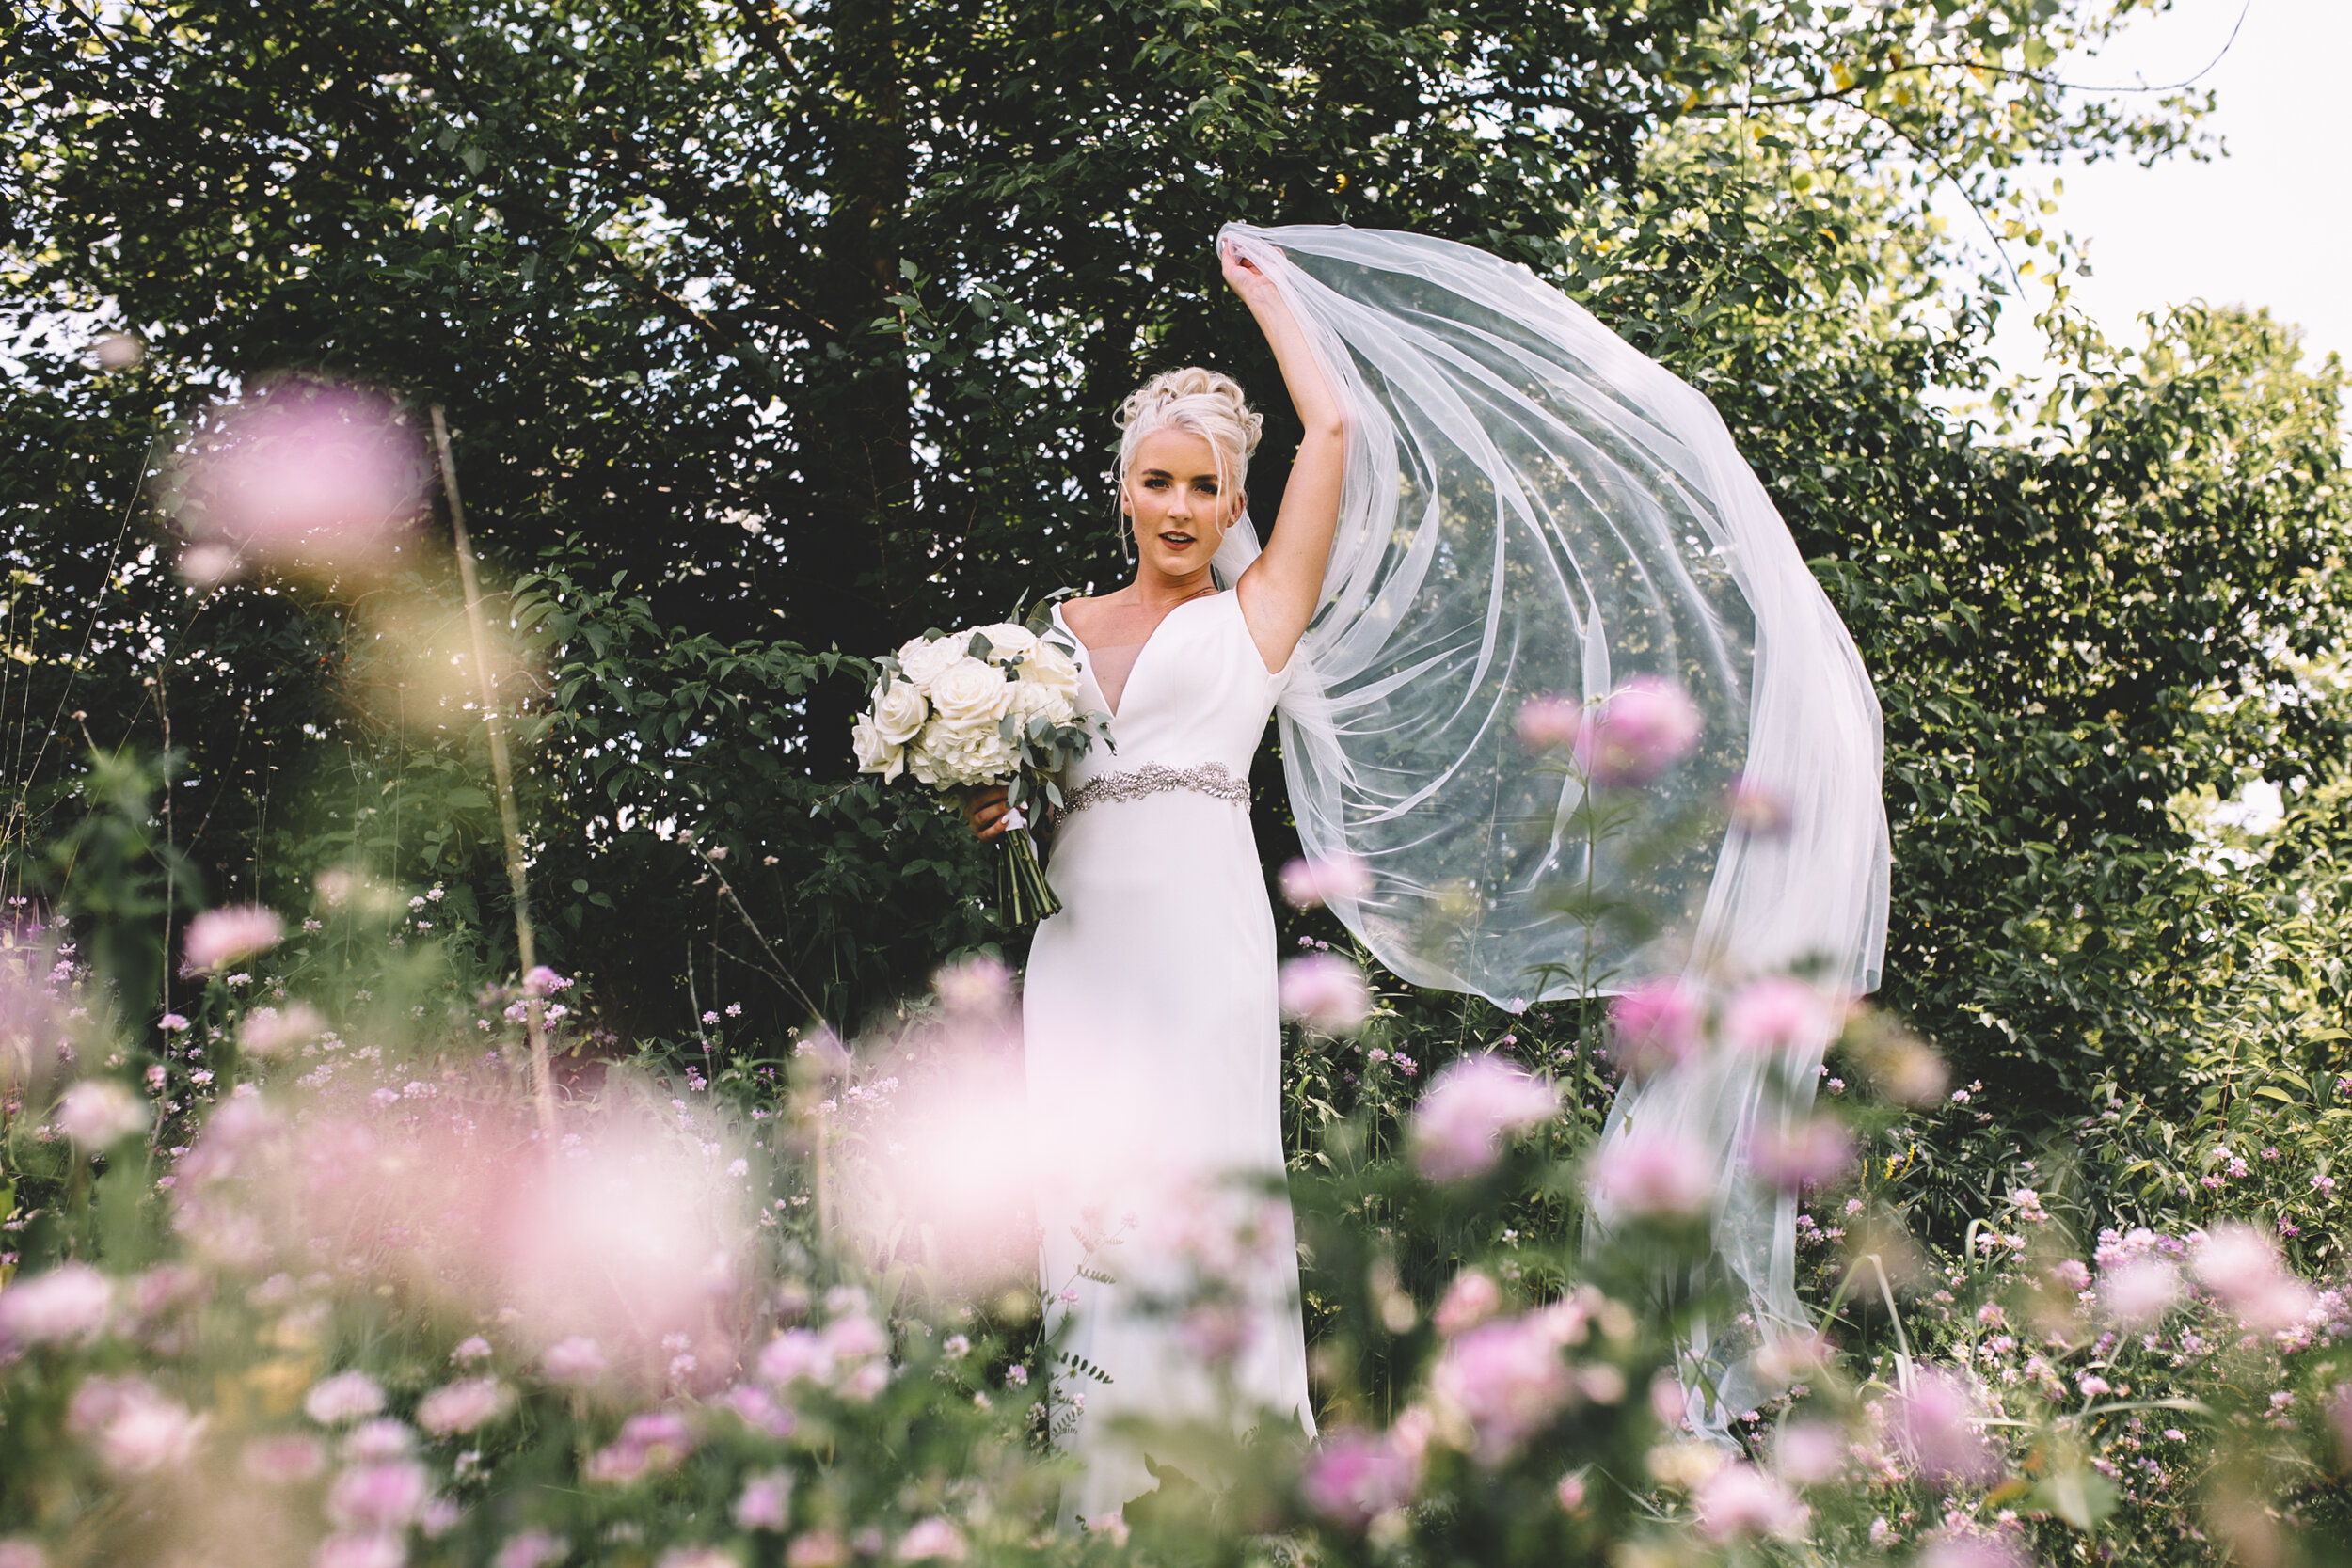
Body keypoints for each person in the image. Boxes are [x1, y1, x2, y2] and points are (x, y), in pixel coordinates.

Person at [963, 237, 1344, 1526]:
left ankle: (1238, 1491)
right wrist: (997, 810)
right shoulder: (1050, 631)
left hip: (1202, 937)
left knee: (1205, 1173)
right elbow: (1031, 796)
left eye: (1205, 489)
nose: (1180, 509)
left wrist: (1269, 297)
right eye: (1156, 482)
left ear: (1237, 504)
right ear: (1123, 489)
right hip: (1077, 947)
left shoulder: (1259, 619)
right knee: (1085, 1188)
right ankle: (1103, 1501)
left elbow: (1334, 424)